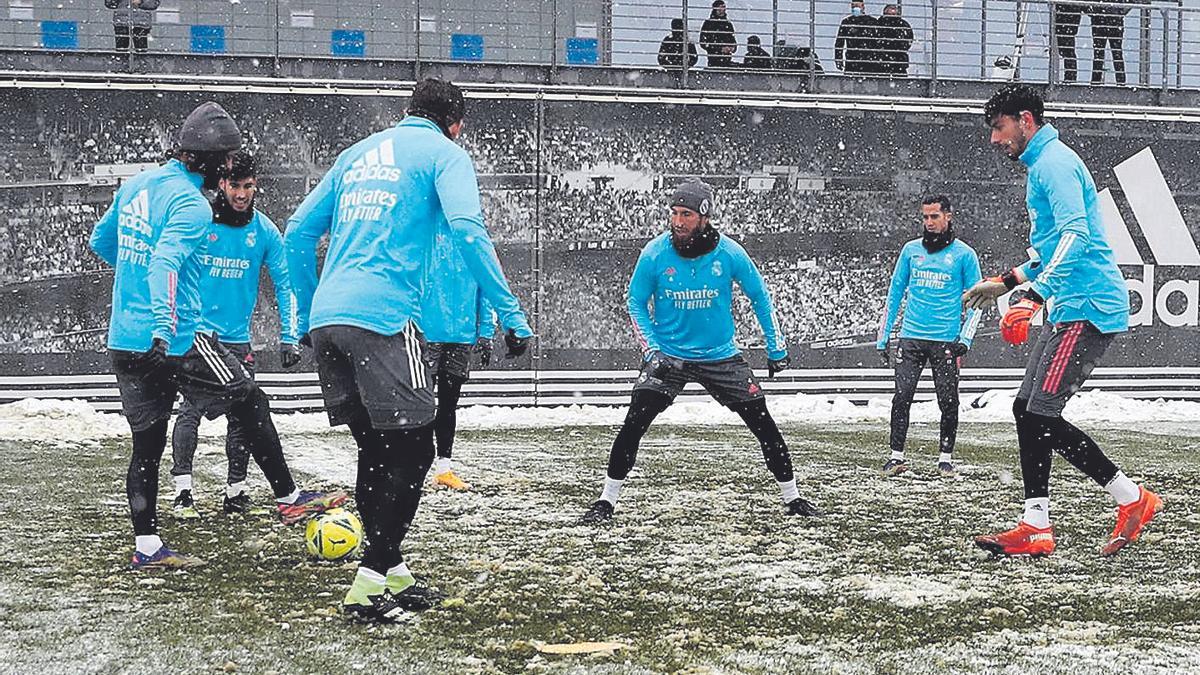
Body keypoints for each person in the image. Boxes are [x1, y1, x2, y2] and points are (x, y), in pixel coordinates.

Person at [286, 78, 534, 624]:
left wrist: (309, 310)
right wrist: (509, 313)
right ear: (457, 122)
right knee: (416, 451)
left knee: (376, 451)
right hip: (385, 318)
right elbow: (469, 229)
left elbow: (298, 231)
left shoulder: (358, 153)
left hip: (330, 320)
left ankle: (391, 568)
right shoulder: (446, 154)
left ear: (406, 112)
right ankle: (369, 583)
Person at [89, 102, 345, 571]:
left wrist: (136, 295)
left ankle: (147, 548)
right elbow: (166, 262)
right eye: (227, 162)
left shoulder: (138, 185)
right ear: (208, 160)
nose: (230, 172)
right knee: (250, 399)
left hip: (125, 339)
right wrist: (164, 323)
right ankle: (288, 498)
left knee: (147, 442)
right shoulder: (190, 203)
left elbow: (102, 243)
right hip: (177, 337)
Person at [964, 85, 1161, 557]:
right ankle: (1037, 524)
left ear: (1025, 120)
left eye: (999, 127)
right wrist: (1009, 280)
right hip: (1071, 306)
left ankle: (1131, 499)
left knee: (1040, 413)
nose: (994, 139)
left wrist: (1034, 293)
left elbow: (1075, 238)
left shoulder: (1052, 163)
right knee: (1026, 409)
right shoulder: (1043, 164)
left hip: (1088, 307)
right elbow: (1058, 247)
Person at [579, 180, 821, 525]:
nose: (678, 221)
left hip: (721, 357)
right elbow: (634, 303)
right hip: (669, 357)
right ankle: (606, 501)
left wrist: (776, 347)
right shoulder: (653, 254)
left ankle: (793, 498)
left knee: (763, 424)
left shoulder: (731, 253)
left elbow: (760, 297)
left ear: (704, 216)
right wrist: (652, 350)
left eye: (686, 214)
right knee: (634, 424)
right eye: (674, 213)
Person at [169, 151, 304, 518]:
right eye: (234, 186)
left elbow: (286, 283)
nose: (241, 194)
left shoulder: (264, 231)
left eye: (247, 186)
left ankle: (235, 491)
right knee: (191, 411)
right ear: (222, 185)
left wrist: (290, 335)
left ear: (255, 185)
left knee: (244, 416)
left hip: (237, 338)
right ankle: (183, 492)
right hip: (197, 335)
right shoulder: (200, 222)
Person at [876, 196, 982, 478]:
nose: (929, 223)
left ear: (948, 216)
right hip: (911, 338)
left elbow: (978, 300)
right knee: (902, 397)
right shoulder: (910, 251)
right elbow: (895, 293)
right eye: (925, 217)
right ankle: (896, 457)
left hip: (945, 341)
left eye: (934, 217)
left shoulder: (964, 255)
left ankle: (945, 459)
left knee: (948, 401)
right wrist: (883, 335)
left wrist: (965, 338)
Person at [420, 227, 498, 492]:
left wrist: (486, 332)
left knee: (448, 405)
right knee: (420, 404)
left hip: (461, 337)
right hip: (426, 334)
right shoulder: (423, 231)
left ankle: (444, 469)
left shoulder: (473, 239)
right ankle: (414, 466)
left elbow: (485, 289)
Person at [1087, 1, 1129, 84]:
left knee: (1101, 53)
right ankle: (1120, 82)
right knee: (1114, 53)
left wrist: (1092, 10)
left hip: (1102, 19)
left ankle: (1096, 81)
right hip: (1109, 19)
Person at [835, 0, 879, 74]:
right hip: (852, 59)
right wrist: (838, 59)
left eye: (858, 6)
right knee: (850, 82)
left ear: (863, 7)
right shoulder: (847, 22)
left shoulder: (872, 22)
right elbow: (839, 42)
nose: (855, 8)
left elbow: (878, 42)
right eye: (853, 6)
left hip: (869, 60)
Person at [875, 4, 913, 75]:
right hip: (883, 62)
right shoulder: (879, 24)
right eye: (889, 14)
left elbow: (908, 41)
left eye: (893, 14)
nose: (891, 16)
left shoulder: (903, 25)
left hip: (898, 62)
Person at [1053, 3, 1086, 82]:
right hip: (1066, 19)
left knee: (1067, 50)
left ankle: (1070, 77)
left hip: (1066, 19)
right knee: (1066, 49)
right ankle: (1070, 76)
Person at [700, 0, 737, 69]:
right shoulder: (708, 24)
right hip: (713, 60)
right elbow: (703, 43)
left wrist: (732, 48)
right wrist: (720, 49)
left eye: (724, 7)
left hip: (726, 60)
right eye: (721, 7)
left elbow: (733, 40)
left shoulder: (728, 24)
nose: (724, 9)